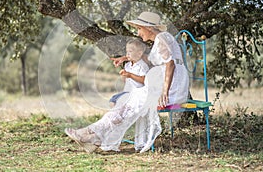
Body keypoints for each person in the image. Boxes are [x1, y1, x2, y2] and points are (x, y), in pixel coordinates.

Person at [65, 11, 189, 153]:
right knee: (127, 103)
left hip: (172, 88)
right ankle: (93, 134)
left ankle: (92, 134)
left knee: (129, 102)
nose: (138, 33)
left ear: (148, 28)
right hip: (163, 85)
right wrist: (126, 58)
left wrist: (164, 92)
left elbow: (170, 64)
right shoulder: (160, 40)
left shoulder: (162, 38)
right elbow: (153, 59)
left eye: (139, 28)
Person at [109, 39, 149, 107]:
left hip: (138, 93)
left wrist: (130, 75)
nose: (127, 54)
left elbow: (144, 80)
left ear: (139, 53)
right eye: (127, 51)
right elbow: (125, 81)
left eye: (130, 51)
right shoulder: (127, 65)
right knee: (113, 100)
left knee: (117, 103)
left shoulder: (142, 66)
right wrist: (124, 75)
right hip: (127, 91)